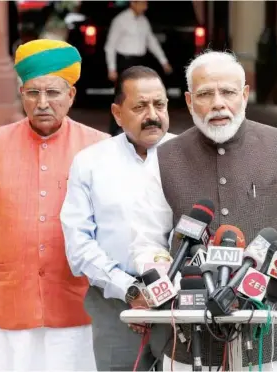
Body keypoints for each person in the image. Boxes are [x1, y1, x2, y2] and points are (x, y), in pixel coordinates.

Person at [126, 50, 277, 371]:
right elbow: (146, 242)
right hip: (192, 335)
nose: (218, 103)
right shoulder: (164, 159)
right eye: (205, 94)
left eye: (227, 92)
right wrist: (173, 280)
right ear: (188, 100)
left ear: (245, 94)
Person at [0, 39, 110, 370]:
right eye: (32, 93)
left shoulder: (99, 149)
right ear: (21, 94)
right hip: (6, 313)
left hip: (77, 314)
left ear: (71, 96)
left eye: (52, 93)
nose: (42, 103)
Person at [60, 66, 176, 371]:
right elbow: (79, 244)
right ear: (117, 113)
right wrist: (130, 291)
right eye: (140, 106)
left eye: (159, 105)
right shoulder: (91, 163)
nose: (152, 114)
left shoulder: (188, 157)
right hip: (115, 305)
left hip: (181, 308)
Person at [105, 0, 173, 136]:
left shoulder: (144, 21)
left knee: (140, 96)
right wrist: (111, 68)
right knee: (122, 96)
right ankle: (114, 130)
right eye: (143, 3)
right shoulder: (120, 20)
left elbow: (151, 41)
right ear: (133, 3)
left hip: (140, 61)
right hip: (124, 61)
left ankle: (138, 126)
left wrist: (163, 61)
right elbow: (110, 45)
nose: (146, 7)